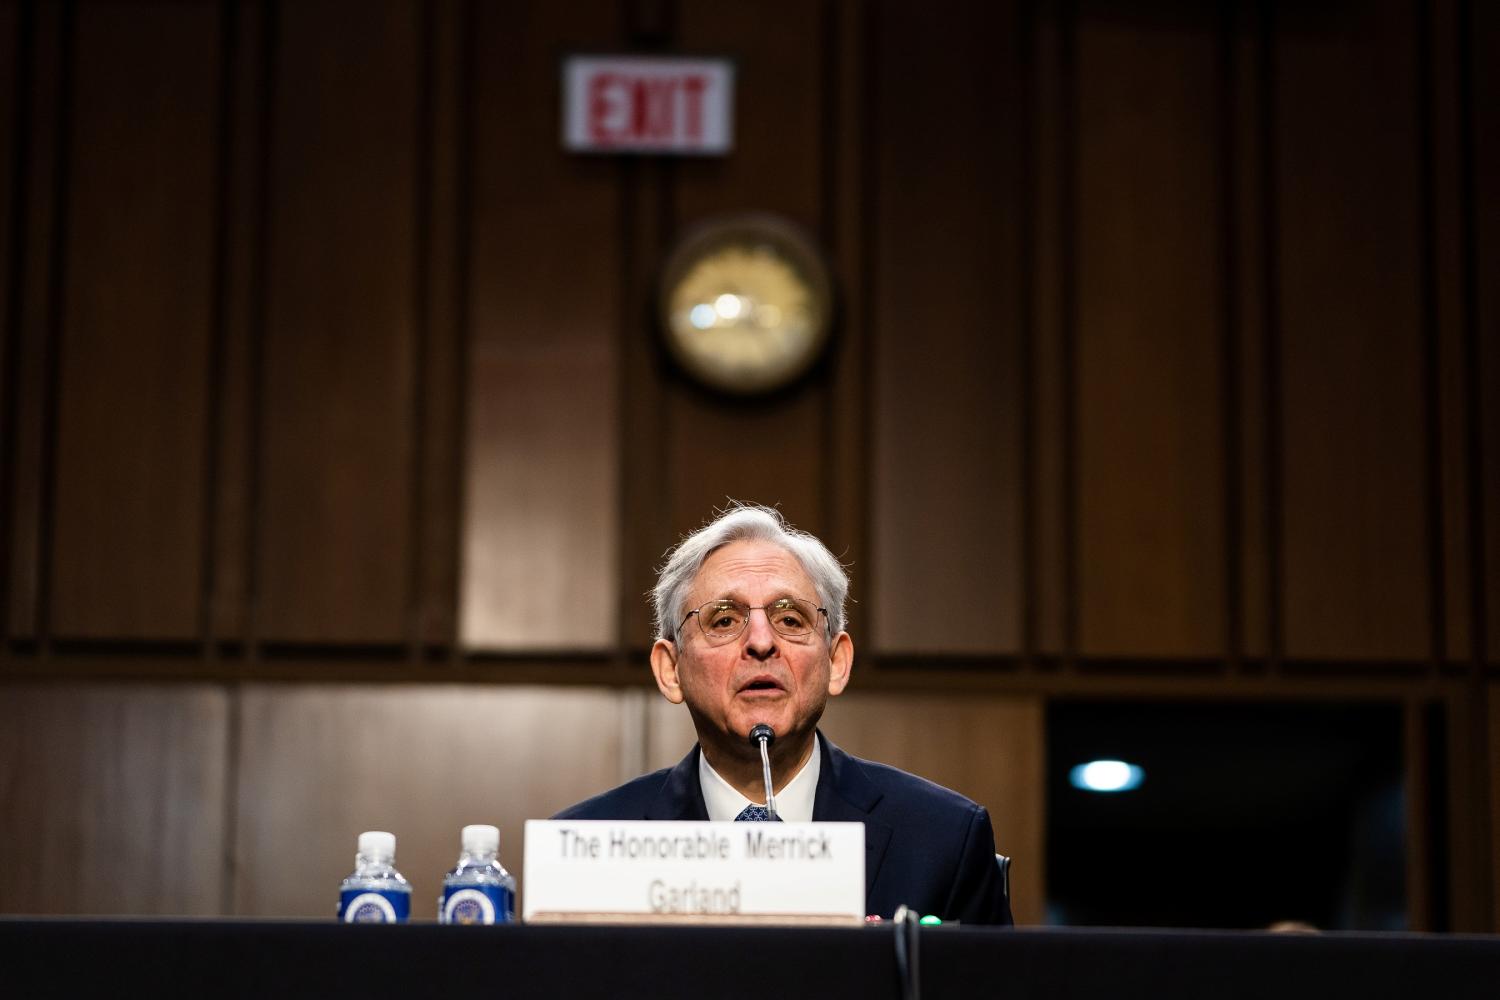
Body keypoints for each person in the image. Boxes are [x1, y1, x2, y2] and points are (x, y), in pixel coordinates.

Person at [554, 503, 1013, 924]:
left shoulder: (944, 838)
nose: (760, 642)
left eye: (790, 619)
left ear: (837, 662)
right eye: (724, 620)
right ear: (670, 669)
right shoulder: (582, 847)